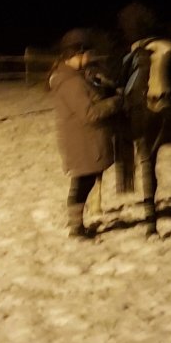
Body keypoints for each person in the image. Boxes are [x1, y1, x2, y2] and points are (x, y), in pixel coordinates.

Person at [49, 28, 122, 238]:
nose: (90, 57)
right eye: (88, 53)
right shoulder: (72, 82)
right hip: (82, 141)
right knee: (82, 183)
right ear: (77, 54)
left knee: (84, 182)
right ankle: (76, 228)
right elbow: (89, 113)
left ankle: (76, 225)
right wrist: (115, 102)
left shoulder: (76, 77)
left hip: (83, 138)